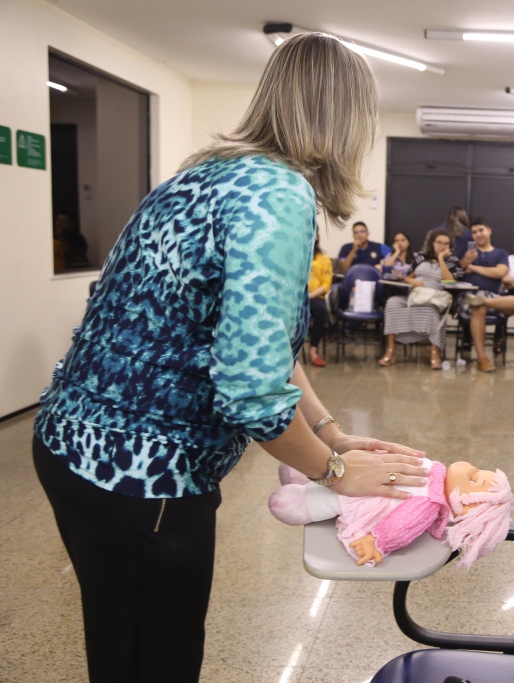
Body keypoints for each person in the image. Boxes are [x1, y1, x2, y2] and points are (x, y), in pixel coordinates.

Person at [31, 33, 429, 682]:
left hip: (74, 445)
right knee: (150, 659)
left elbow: (259, 346)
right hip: (138, 471)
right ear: (346, 120)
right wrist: (333, 470)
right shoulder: (280, 197)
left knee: (123, 640)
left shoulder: (207, 175)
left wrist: (329, 430)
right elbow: (249, 391)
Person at [269, 459, 514, 568]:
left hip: (365, 495)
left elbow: (403, 524)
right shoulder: (435, 476)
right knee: (336, 471)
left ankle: (303, 503)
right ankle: (310, 473)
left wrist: (379, 541)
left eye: (473, 477)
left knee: (338, 497)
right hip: (367, 474)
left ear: (464, 503)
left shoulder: (429, 503)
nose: (471, 467)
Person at [378, 229, 462, 369]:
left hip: (434, 298)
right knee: (392, 302)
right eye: (439, 242)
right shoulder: (421, 256)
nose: (442, 246)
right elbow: (409, 276)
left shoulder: (453, 261)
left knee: (430, 309)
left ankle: (435, 352)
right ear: (432, 243)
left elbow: (450, 281)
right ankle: (391, 350)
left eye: (446, 244)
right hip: (415, 295)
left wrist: (441, 259)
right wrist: (411, 281)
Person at [457, 219, 514, 373]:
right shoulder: (465, 252)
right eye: (474, 232)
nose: (478, 234)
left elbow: (500, 272)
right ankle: (482, 358)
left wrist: (472, 267)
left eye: (481, 230)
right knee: (478, 306)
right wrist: (463, 263)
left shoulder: (501, 253)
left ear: (489, 230)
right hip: (469, 296)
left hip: (494, 297)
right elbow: (453, 273)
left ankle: (485, 301)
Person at [307, 237, 333, 367]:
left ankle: (313, 351)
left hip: (314, 295)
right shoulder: (295, 254)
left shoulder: (324, 257)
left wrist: (310, 295)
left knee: (321, 310)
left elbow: (326, 283)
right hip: (295, 296)